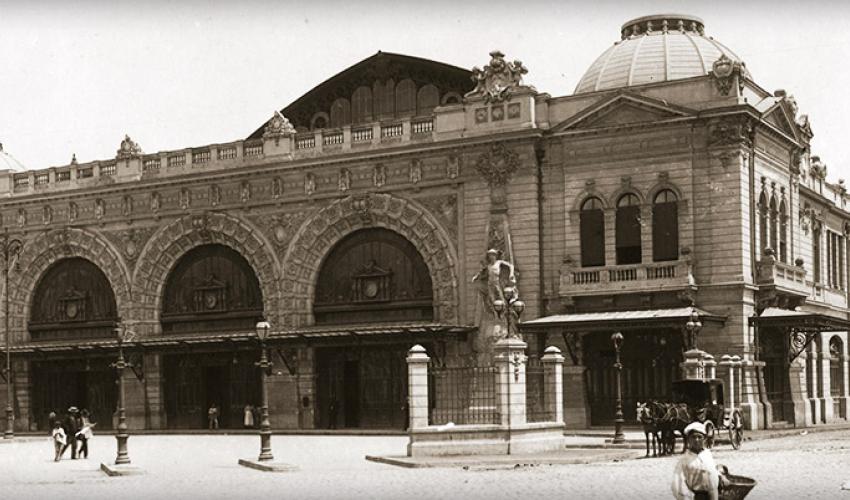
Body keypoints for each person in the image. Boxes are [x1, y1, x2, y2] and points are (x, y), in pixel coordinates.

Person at [671, 421, 721, 500]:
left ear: (704, 439)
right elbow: (677, 485)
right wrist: (688, 497)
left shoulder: (707, 454)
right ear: (688, 440)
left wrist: (720, 476)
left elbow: (712, 471)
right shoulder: (684, 460)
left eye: (699, 437)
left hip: (713, 495)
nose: (696, 440)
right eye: (693, 437)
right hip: (696, 496)